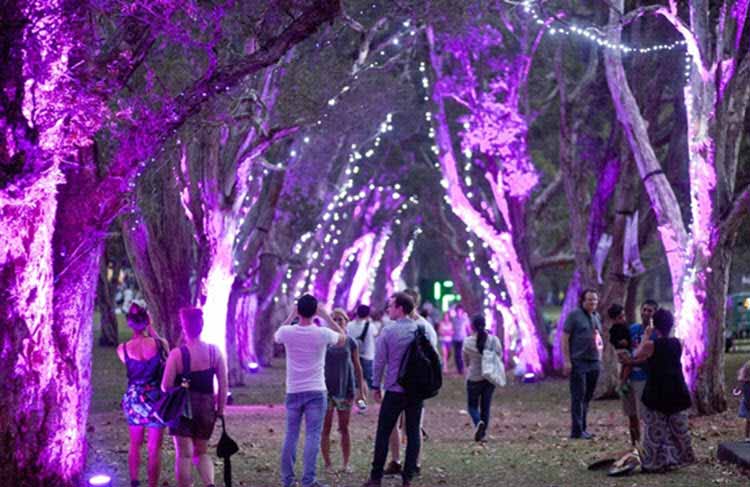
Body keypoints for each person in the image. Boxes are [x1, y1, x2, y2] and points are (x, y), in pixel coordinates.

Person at [275, 294, 347, 487]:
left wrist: (291, 316)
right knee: (313, 435)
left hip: (293, 390)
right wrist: (327, 317)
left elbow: (277, 335)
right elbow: (343, 339)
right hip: (316, 390)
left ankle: (288, 480)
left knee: (291, 435)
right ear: (315, 311)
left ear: (299, 310)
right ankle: (308, 480)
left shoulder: (287, 332)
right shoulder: (322, 332)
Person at [161, 307, 228, 487]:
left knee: (184, 455)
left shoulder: (177, 354)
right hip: (207, 407)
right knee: (202, 452)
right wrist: (220, 409)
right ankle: (209, 483)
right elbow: (223, 383)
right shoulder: (215, 352)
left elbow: (165, 386)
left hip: (184, 408)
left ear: (184, 327)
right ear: (202, 326)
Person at [362, 293, 423, 487]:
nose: (388, 309)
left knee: (384, 431)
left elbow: (379, 362)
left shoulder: (388, 332)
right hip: (415, 390)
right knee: (413, 432)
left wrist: (375, 386)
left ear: (401, 309)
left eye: (391, 306)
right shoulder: (420, 329)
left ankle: (375, 476)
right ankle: (408, 477)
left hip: (394, 389)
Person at [631, 309, 695, 472]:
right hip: (676, 389)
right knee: (677, 427)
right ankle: (679, 458)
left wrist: (646, 334)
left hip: (657, 389)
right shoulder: (678, 343)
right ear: (671, 324)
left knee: (655, 428)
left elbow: (636, 355)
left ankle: (653, 462)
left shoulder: (650, 345)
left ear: (655, 325)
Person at [117, 303, 169, 487]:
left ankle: (134, 481)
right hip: (155, 400)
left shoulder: (122, 349)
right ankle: (152, 485)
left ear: (130, 323)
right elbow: (166, 355)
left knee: (134, 443)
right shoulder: (159, 343)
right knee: (154, 448)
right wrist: (151, 327)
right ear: (147, 321)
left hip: (133, 399)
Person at [322, 309, 367, 473]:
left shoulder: (351, 342)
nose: (337, 322)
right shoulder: (324, 341)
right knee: (325, 428)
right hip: (326, 390)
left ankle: (346, 463)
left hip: (345, 389)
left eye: (340, 319)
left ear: (346, 322)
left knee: (344, 428)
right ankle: (328, 464)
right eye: (334, 319)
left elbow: (357, 367)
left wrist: (360, 390)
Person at [562, 288, 603, 440]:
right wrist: (567, 360)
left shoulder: (596, 316)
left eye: (595, 300)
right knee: (578, 396)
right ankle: (576, 430)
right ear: (582, 301)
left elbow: (599, 338)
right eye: (590, 300)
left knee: (587, 396)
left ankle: (583, 428)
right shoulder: (574, 316)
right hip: (578, 361)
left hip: (594, 362)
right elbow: (565, 338)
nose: (593, 303)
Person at [617, 299, 659, 446]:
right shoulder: (632, 329)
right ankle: (635, 446)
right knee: (631, 415)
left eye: (650, 310)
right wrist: (622, 377)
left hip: (644, 379)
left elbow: (649, 358)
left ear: (655, 314)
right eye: (644, 309)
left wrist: (631, 361)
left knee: (646, 416)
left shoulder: (656, 334)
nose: (646, 313)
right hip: (629, 378)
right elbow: (625, 353)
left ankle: (648, 446)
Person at [462, 314, 502, 442]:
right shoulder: (494, 340)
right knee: (486, 406)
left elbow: (466, 361)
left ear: (472, 326)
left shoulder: (468, 342)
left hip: (473, 378)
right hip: (489, 378)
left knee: (472, 406)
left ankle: (478, 422)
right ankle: (483, 434)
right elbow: (499, 355)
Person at [347, 304, 376, 392]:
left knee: (355, 380)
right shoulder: (371, 326)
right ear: (368, 315)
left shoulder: (349, 325)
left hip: (353, 356)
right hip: (367, 356)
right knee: (368, 380)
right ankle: (368, 401)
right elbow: (376, 335)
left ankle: (356, 400)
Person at [607, 304, 632, 394]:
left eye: (623, 316)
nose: (623, 319)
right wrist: (619, 342)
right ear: (614, 319)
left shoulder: (625, 327)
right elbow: (612, 340)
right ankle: (622, 382)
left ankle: (622, 382)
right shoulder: (614, 329)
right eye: (620, 317)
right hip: (620, 350)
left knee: (625, 367)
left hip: (626, 349)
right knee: (628, 364)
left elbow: (629, 338)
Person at [451, 304, 470, 374]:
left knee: (462, 354)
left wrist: (470, 336)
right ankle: (459, 369)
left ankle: (462, 368)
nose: (459, 312)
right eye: (457, 311)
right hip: (455, 339)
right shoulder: (453, 319)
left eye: (460, 311)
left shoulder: (465, 319)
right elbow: (451, 328)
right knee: (457, 354)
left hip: (463, 338)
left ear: (462, 311)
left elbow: (468, 328)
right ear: (456, 311)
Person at [737, 359, 750, 442]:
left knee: (748, 421)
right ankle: (747, 437)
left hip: (747, 403)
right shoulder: (746, 385)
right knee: (748, 421)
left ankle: (747, 436)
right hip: (748, 404)